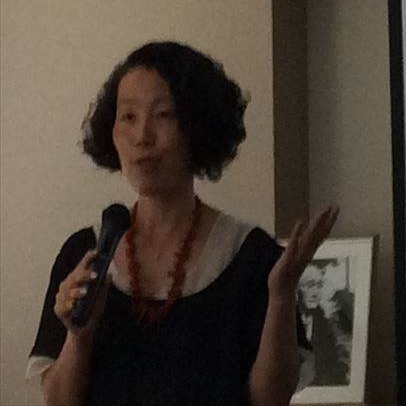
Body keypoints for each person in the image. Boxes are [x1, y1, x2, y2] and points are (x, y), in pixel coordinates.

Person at [26, 41, 339, 406]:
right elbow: (59, 401)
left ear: (197, 126)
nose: (142, 137)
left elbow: (270, 398)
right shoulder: (84, 253)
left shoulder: (252, 256)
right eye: (128, 117)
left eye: (164, 115)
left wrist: (281, 294)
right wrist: (79, 335)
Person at [297, 261, 353, 386]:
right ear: (296, 289)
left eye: (319, 285)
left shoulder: (321, 317)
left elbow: (332, 357)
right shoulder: (286, 319)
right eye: (310, 285)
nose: (316, 292)